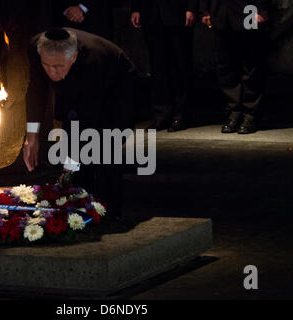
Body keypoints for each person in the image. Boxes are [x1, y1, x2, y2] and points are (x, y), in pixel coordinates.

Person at [23, 28, 136, 217]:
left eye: (58, 66)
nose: (51, 72)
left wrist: (70, 159)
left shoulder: (94, 60)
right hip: (77, 91)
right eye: (46, 65)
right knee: (76, 157)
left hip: (116, 91)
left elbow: (87, 117)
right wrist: (32, 136)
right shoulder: (36, 47)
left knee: (104, 149)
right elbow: (36, 90)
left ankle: (109, 212)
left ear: (73, 57)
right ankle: (77, 208)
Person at [200, 0, 271, 134]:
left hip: (249, 8)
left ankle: (251, 113)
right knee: (226, 64)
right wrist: (205, 9)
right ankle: (234, 112)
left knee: (251, 64)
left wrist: (262, 9)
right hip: (220, 10)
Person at [131, 0, 198, 132]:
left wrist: (192, 8)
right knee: (157, 66)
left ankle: (181, 114)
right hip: (150, 12)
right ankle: (162, 114)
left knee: (180, 65)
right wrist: (136, 8)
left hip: (178, 11)